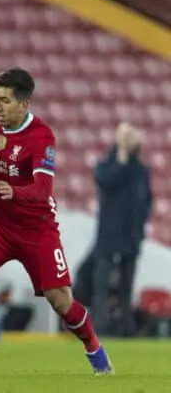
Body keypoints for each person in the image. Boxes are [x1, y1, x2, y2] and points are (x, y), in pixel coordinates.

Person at [0, 68, 113, 374]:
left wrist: (15, 191)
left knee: (61, 301)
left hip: (35, 227)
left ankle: (94, 348)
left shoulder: (41, 137)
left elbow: (42, 190)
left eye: (6, 101)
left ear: (24, 104)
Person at [91, 123, 152, 336]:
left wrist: (141, 224)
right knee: (102, 284)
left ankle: (127, 327)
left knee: (127, 285)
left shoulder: (141, 170)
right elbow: (105, 182)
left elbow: (146, 199)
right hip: (108, 235)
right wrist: (121, 159)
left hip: (131, 235)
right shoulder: (106, 165)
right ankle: (99, 325)